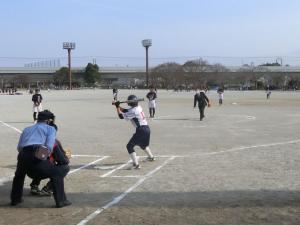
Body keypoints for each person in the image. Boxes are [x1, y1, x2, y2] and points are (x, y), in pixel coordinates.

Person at [10, 110, 71, 208]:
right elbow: (49, 147)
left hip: (23, 154)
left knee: (19, 175)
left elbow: (20, 147)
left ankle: (15, 199)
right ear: (48, 120)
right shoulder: (50, 129)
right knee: (58, 171)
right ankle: (61, 201)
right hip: (37, 152)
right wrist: (43, 159)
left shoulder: (27, 129)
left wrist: (27, 157)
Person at [113, 95, 155, 169]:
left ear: (131, 103)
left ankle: (136, 164)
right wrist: (118, 105)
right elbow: (126, 111)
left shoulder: (133, 111)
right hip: (147, 129)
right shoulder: (138, 107)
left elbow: (121, 116)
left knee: (129, 146)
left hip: (141, 130)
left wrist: (117, 107)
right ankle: (151, 157)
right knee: (143, 145)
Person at [30, 123, 70, 196]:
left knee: (38, 161)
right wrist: (66, 157)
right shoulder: (54, 142)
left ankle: (34, 185)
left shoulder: (33, 140)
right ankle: (47, 188)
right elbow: (62, 160)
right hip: (42, 170)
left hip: (29, 171)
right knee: (64, 167)